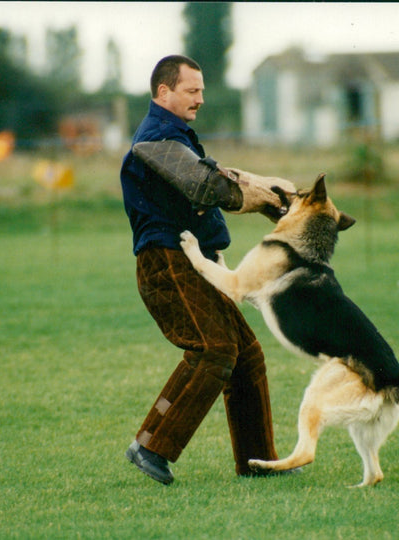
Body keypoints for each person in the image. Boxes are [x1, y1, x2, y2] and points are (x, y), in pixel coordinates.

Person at [120, 55, 295, 485]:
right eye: (191, 91)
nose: (200, 99)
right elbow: (206, 185)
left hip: (193, 263)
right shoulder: (156, 139)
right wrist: (263, 199)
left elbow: (216, 175)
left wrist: (277, 196)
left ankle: (257, 463)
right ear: (163, 92)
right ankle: (150, 446)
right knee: (214, 349)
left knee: (246, 357)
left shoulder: (178, 138)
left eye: (201, 90)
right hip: (168, 263)